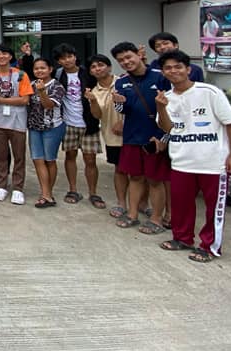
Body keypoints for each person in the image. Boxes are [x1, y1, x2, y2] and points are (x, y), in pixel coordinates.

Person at [155, 49, 231, 263]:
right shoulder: (166, 98)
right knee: (181, 205)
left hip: (213, 163)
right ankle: (182, 238)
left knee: (214, 209)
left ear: (188, 69)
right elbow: (167, 128)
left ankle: (210, 246)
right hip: (181, 161)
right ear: (163, 72)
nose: (173, 71)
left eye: (178, 66)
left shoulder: (209, 92)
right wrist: (161, 108)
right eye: (168, 68)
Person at [111, 42, 171, 234]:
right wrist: (118, 103)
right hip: (132, 136)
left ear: (139, 54)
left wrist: (163, 137)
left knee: (155, 180)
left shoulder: (161, 77)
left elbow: (173, 108)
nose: (126, 62)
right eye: (121, 60)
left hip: (155, 137)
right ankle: (132, 214)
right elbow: (124, 110)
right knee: (135, 177)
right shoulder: (121, 82)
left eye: (129, 57)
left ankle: (156, 219)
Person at [52, 43, 105, 209]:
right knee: (70, 156)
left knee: (90, 159)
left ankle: (93, 193)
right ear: (58, 61)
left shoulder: (87, 73)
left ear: (75, 56)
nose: (67, 60)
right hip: (68, 123)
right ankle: (73, 190)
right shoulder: (58, 74)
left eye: (69, 56)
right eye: (62, 58)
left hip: (89, 123)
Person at [0, 44, 33, 205]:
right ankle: (1, 185)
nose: (1, 57)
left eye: (5, 53)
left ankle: (18, 188)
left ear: (10, 56)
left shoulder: (21, 75)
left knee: (19, 155)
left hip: (17, 120)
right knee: (0, 155)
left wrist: (1, 99)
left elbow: (25, 99)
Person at [86, 54, 128, 217]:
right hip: (112, 137)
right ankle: (121, 203)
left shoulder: (123, 82)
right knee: (120, 170)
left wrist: (123, 121)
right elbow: (97, 115)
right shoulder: (94, 91)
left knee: (140, 174)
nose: (97, 69)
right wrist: (93, 101)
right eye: (93, 67)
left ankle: (143, 204)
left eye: (101, 65)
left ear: (109, 67)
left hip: (133, 133)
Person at [28, 58, 66, 208]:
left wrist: (42, 91)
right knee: (38, 160)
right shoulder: (31, 85)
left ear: (50, 69)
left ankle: (47, 194)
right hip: (34, 127)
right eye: (36, 68)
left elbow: (49, 105)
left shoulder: (57, 86)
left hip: (53, 127)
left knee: (50, 160)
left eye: (43, 68)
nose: (39, 71)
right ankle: (45, 193)